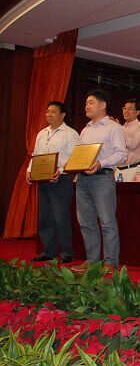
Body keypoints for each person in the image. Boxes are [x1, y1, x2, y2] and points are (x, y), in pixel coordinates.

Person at [73, 89, 127, 274]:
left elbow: (121, 154)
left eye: (91, 103)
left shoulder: (114, 128)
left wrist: (100, 163)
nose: (86, 106)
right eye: (86, 103)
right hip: (83, 179)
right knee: (86, 221)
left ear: (103, 105)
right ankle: (92, 261)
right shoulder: (85, 129)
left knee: (107, 221)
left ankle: (110, 262)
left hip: (103, 177)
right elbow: (80, 155)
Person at [26, 101, 81, 263]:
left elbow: (75, 157)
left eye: (53, 112)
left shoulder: (70, 133)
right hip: (43, 178)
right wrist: (29, 170)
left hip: (61, 179)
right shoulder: (42, 133)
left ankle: (66, 252)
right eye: (47, 112)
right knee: (45, 217)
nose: (49, 115)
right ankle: (48, 252)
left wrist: (61, 170)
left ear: (63, 115)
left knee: (60, 216)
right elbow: (36, 155)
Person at [115, 98, 140, 182]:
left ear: (137, 112)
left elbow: (133, 144)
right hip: (119, 170)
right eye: (124, 108)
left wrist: (119, 130)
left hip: (135, 168)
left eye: (130, 109)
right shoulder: (121, 128)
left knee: (135, 191)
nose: (126, 111)